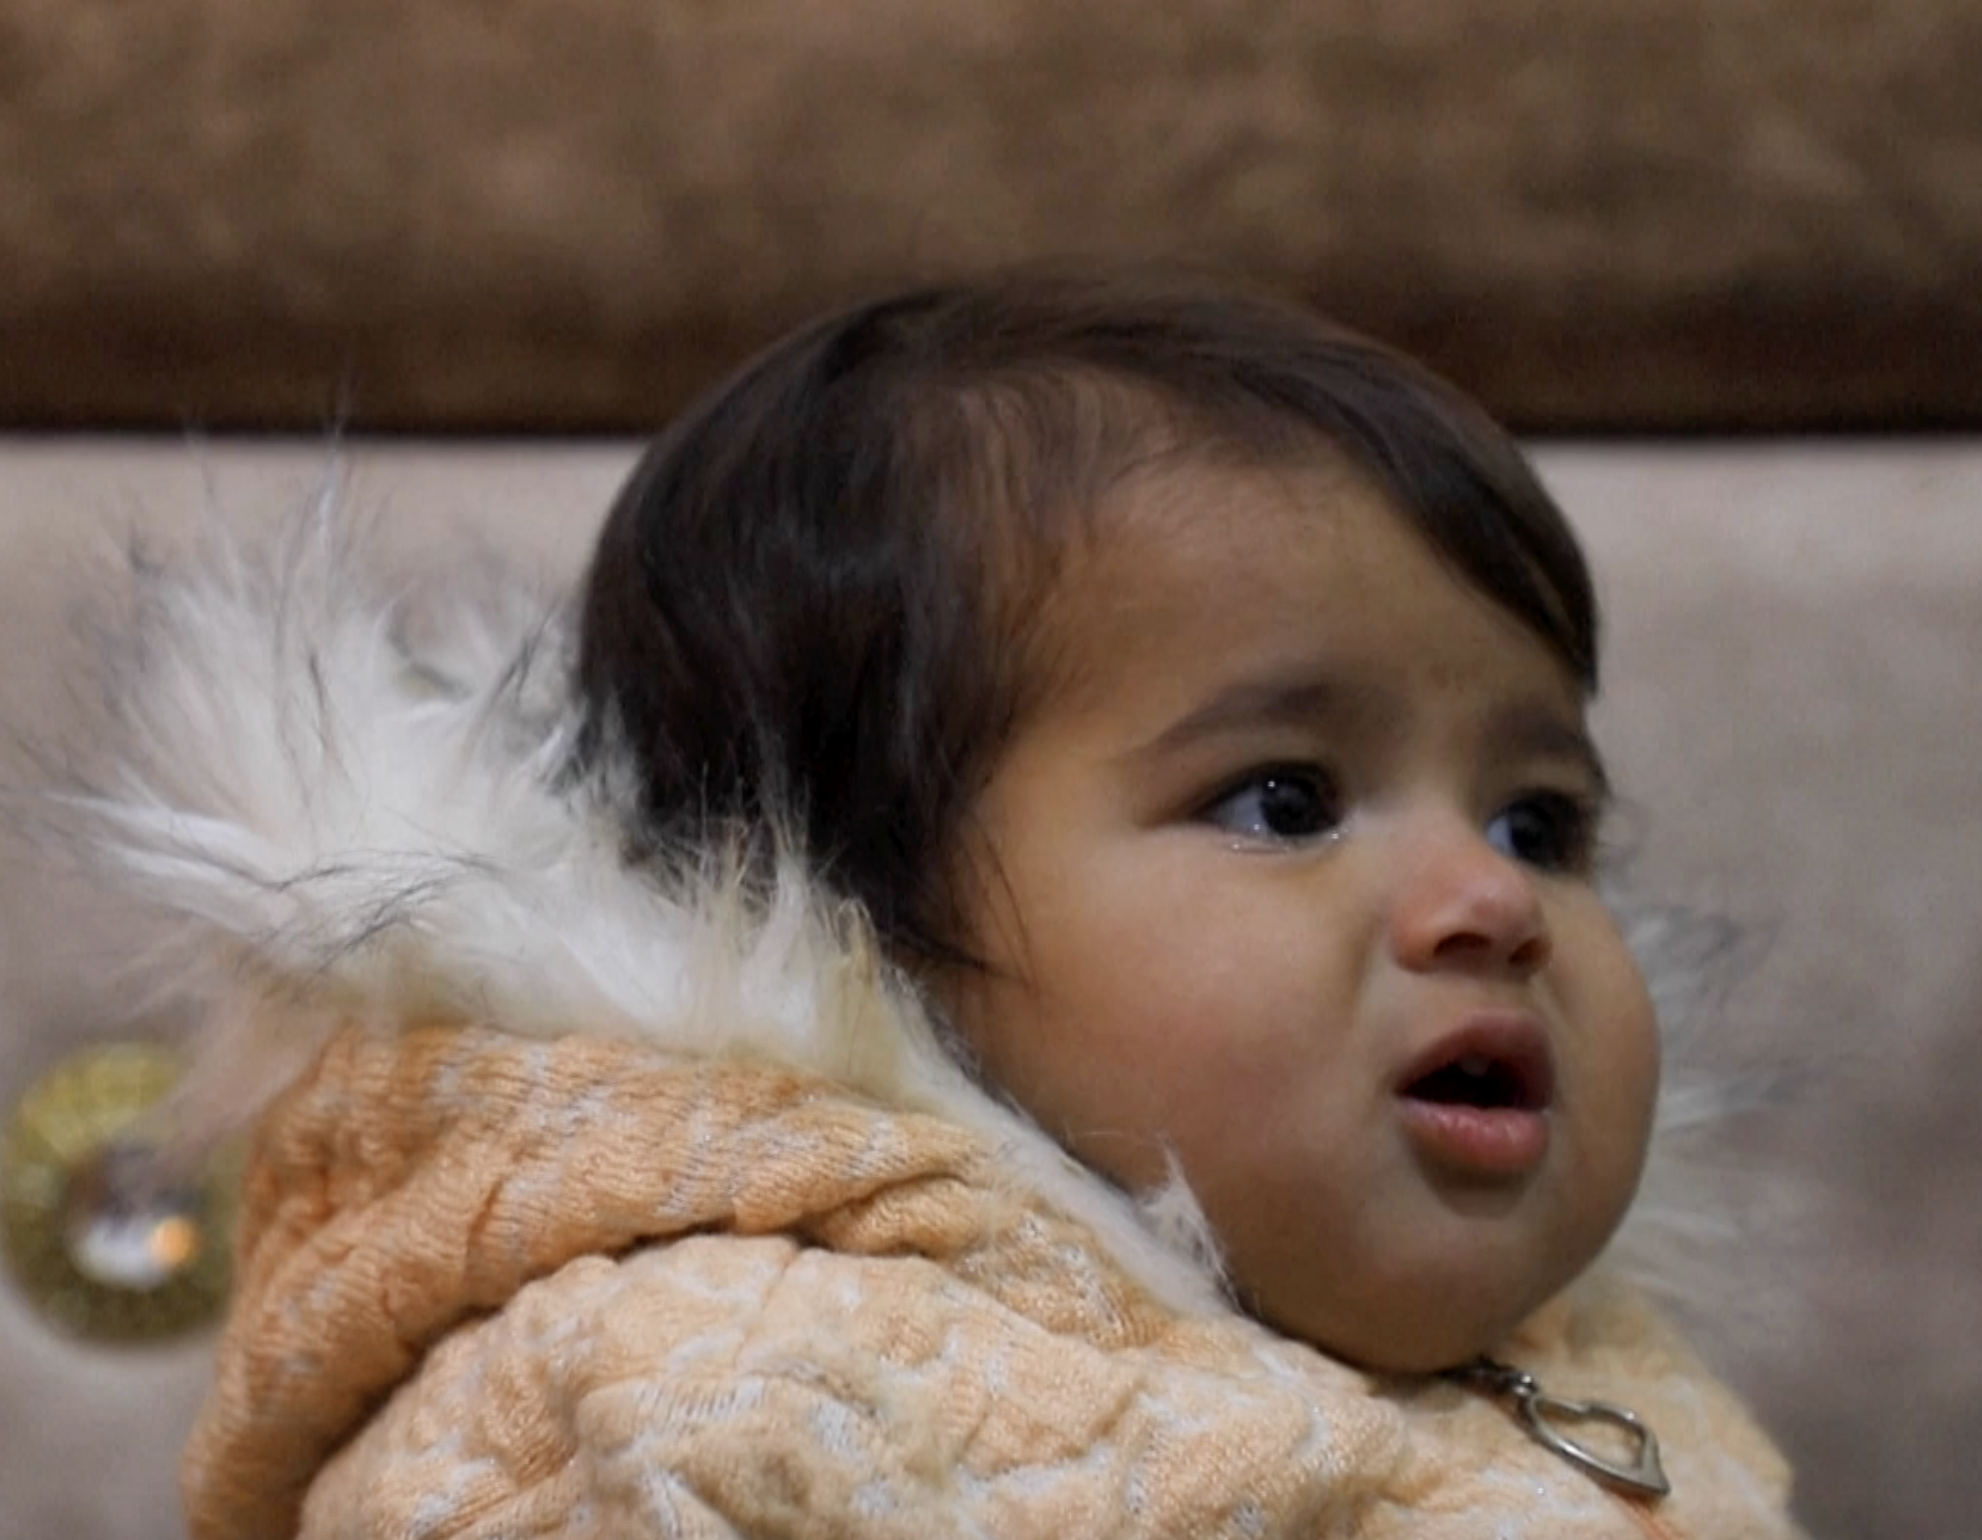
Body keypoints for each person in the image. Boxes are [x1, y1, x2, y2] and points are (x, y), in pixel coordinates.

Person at [82, 273, 1801, 1537]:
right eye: (1283, 801)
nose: (1491, 898)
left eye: (1540, 819)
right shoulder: (684, 1396)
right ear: (860, 926)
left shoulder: (1601, 1376)